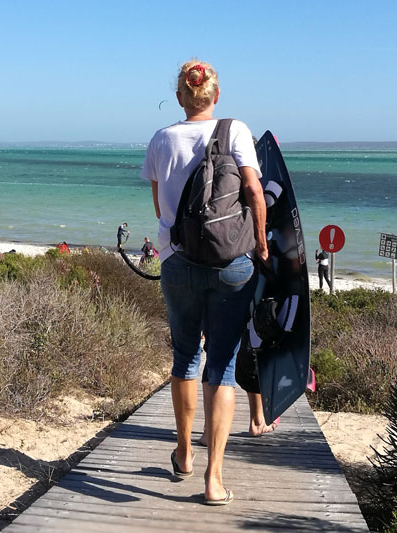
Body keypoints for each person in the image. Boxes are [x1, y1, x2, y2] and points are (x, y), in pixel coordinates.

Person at [140, 58, 268, 505]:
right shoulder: (236, 131)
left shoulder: (161, 139)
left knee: (184, 356)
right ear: (216, 96)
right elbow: (253, 191)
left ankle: (183, 452)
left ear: (179, 97)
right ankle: (214, 479)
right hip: (232, 264)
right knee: (223, 368)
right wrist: (262, 247)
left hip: (177, 261)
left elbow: (161, 209)